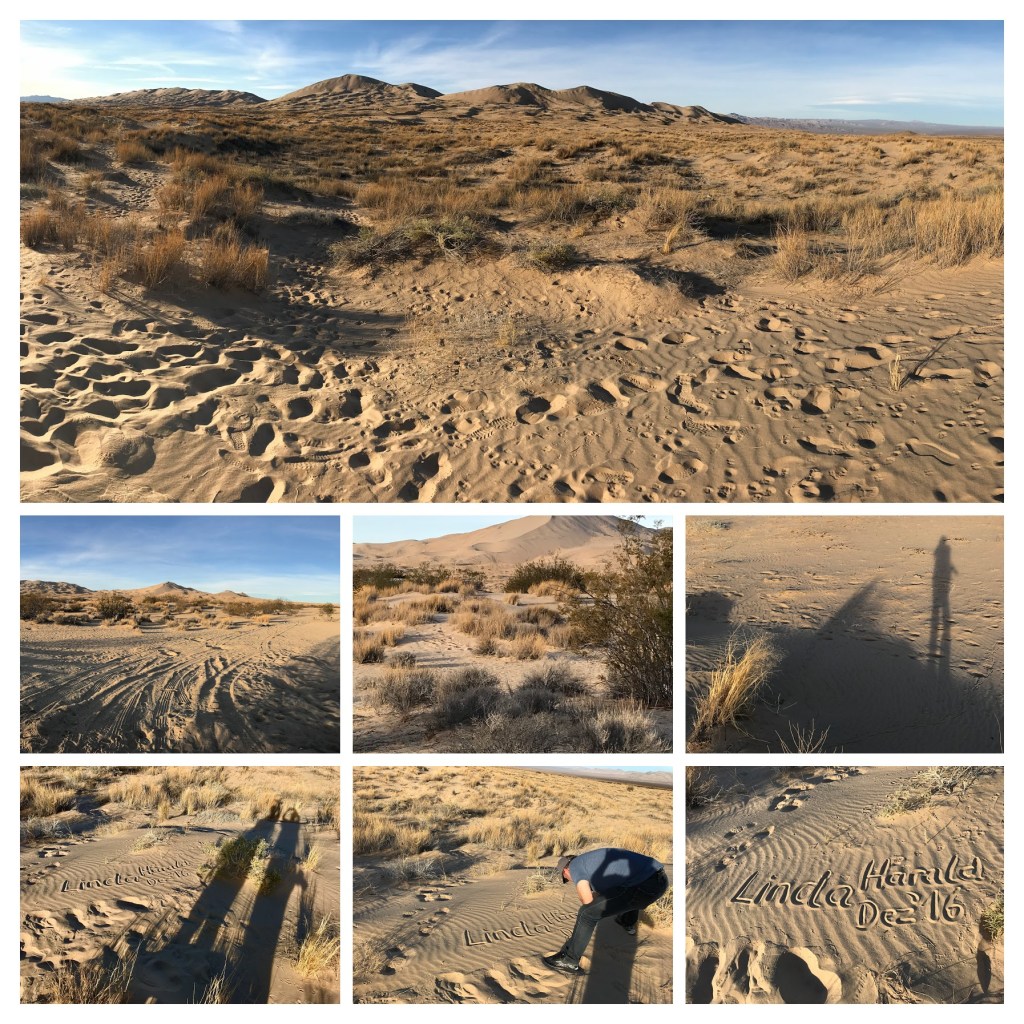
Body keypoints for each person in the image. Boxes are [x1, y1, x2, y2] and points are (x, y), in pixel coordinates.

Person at [541, 848, 669, 975]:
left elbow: (587, 900)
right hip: (658, 880)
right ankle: (627, 921)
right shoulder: (591, 862)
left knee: (587, 914)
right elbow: (606, 892)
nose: (570, 880)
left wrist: (588, 903)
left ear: (566, 869)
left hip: (646, 886)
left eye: (566, 878)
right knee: (620, 894)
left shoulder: (575, 866)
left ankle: (569, 960)